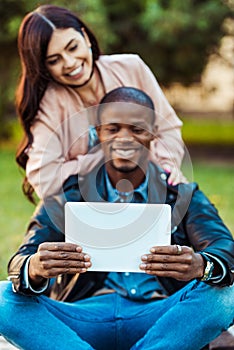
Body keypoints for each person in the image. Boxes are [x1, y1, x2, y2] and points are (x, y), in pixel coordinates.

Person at [0, 87, 233, 350]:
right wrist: (35, 268)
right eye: (113, 129)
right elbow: (21, 261)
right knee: (1, 297)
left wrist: (201, 265)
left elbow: (224, 248)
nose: (125, 139)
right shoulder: (69, 192)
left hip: (162, 318)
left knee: (227, 293)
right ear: (97, 133)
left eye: (137, 129)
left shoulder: (181, 193)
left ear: (153, 134)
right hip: (81, 317)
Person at [15, 4, 186, 202]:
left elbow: (167, 128)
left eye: (73, 47)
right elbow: (45, 179)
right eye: (54, 60)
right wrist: (105, 157)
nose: (70, 62)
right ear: (43, 67)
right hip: (86, 209)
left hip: (149, 193)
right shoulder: (49, 104)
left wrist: (167, 167)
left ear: (86, 38)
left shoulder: (132, 68)